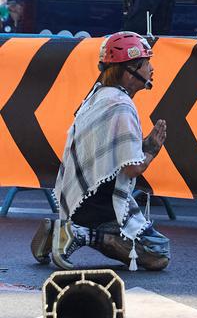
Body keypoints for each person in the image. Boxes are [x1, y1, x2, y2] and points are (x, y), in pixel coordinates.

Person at [42, 31, 171, 271]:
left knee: (151, 246)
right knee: (159, 252)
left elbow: (112, 156)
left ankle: (59, 230)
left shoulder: (98, 95)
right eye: (146, 63)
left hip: (79, 198)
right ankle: (81, 234)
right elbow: (132, 169)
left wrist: (140, 147)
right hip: (101, 205)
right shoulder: (122, 106)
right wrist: (151, 150)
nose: (151, 69)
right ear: (129, 70)